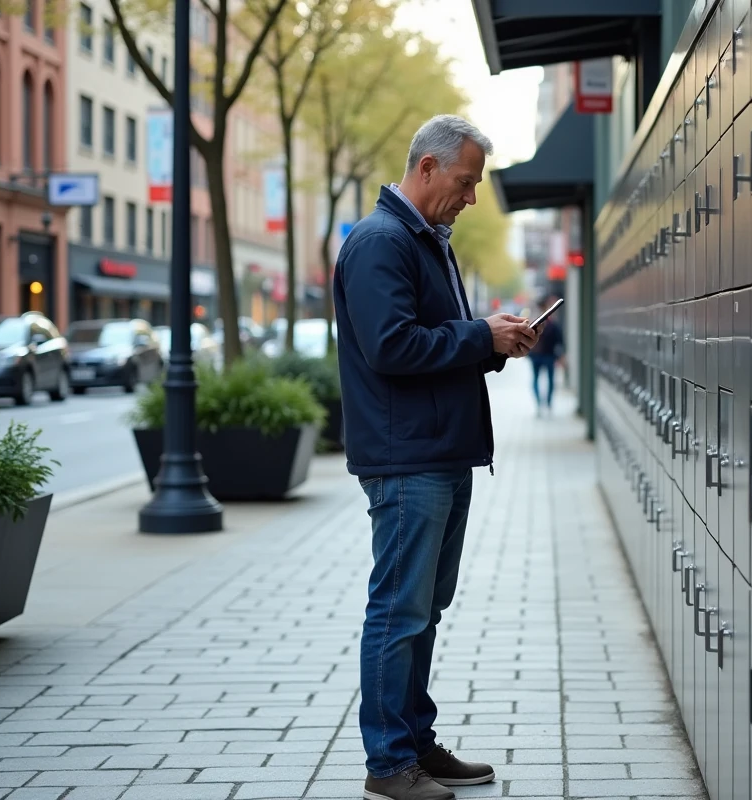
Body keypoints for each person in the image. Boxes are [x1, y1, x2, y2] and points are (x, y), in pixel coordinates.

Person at [333, 115, 538, 800]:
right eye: (465, 181)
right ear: (426, 168)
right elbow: (392, 347)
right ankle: (388, 764)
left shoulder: (425, 240)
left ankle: (415, 743)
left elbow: (435, 341)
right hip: (406, 460)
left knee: (424, 608)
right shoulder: (380, 241)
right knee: (399, 609)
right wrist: (479, 335)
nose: (471, 197)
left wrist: (493, 341)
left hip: (439, 452)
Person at [527, 296, 564, 415]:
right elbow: (560, 340)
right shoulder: (550, 323)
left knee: (540, 380)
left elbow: (559, 340)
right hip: (544, 356)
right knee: (545, 380)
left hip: (542, 356)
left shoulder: (536, 322)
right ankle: (544, 404)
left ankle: (543, 404)